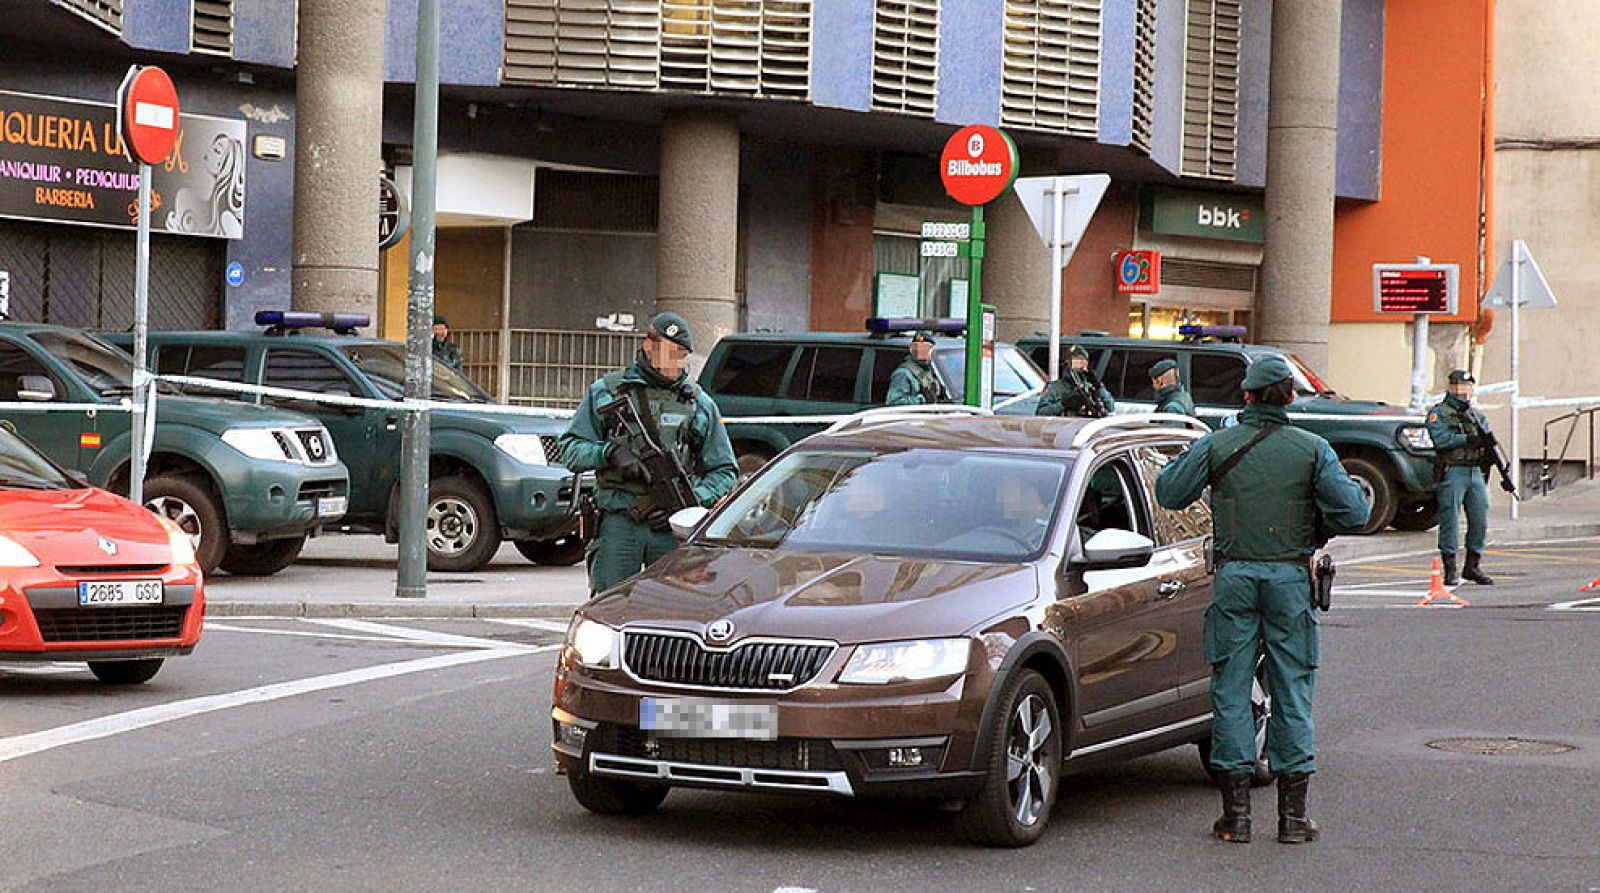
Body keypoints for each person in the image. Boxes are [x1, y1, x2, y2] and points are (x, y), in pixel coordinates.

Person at [1154, 355, 1370, 846]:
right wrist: (1314, 520)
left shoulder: (1217, 444)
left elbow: (1169, 492)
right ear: (1290, 397)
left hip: (1234, 577)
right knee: (1291, 688)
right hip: (1291, 579)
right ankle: (1293, 819)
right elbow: (1354, 512)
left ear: (1246, 396)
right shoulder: (1313, 450)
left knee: (1231, 688)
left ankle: (1236, 817)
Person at [558, 312, 738, 593]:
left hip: (672, 527)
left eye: (682, 355)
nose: (676, 363)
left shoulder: (698, 404)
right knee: (610, 605)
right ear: (648, 345)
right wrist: (609, 453)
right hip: (619, 522)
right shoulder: (608, 392)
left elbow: (724, 470)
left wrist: (689, 503)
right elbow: (570, 451)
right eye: (671, 352)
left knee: (674, 608)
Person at [1426, 369, 1496, 586]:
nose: (1463, 391)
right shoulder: (1439, 413)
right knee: (1450, 519)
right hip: (1454, 469)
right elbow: (1441, 439)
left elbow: (1487, 438)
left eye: (1466, 387)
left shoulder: (1476, 415)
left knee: (1480, 519)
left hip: (1475, 470)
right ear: (1450, 387)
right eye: (1458, 386)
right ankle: (1450, 567)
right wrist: (1466, 439)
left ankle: (1473, 565)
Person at [1036, 345, 1114, 417]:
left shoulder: (1090, 386)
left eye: (1083, 360)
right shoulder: (1055, 387)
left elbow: (1110, 407)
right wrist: (1063, 404)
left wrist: (1098, 387)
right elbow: (1041, 412)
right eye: (1076, 359)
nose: (1080, 364)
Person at [886, 332, 944, 406]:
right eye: (918, 349)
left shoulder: (931, 370)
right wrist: (922, 399)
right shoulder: (903, 374)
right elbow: (893, 402)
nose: (922, 352)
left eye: (926, 349)